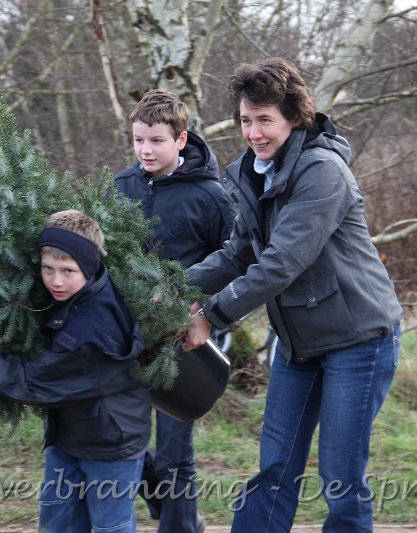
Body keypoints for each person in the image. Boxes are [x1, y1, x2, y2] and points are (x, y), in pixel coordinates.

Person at [182, 57, 403, 532]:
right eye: (246, 120)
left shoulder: (322, 171)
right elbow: (238, 253)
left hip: (358, 338)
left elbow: (282, 262)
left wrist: (211, 316)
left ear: (293, 118)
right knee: (276, 467)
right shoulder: (249, 171)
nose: (253, 132)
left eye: (265, 120)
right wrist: (174, 289)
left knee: (340, 475)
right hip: (298, 342)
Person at [0, 209, 151, 533]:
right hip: (70, 432)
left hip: (110, 442)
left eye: (68, 271)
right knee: (59, 520)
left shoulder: (89, 332)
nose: (56, 281)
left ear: (88, 266)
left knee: (111, 526)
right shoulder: (84, 290)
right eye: (47, 268)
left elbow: (35, 383)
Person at [114, 89, 235, 533]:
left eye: (156, 141)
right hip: (127, 336)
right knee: (120, 437)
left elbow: (236, 261)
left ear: (181, 139)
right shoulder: (120, 187)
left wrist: (209, 314)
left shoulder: (211, 195)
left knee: (173, 450)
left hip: (185, 339)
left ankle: (180, 526)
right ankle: (175, 514)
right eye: (138, 140)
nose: (145, 150)